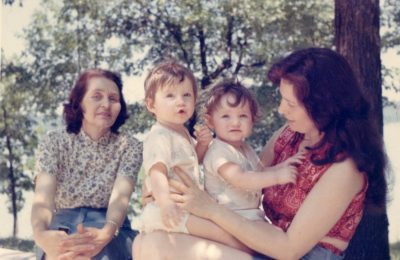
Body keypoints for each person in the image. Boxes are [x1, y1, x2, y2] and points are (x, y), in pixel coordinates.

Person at [132, 48, 387, 260]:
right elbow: (243, 176)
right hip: (258, 240)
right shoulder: (291, 133)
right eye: (281, 99)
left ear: (323, 106)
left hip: (291, 254)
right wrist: (167, 193)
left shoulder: (346, 168)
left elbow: (289, 249)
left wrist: (209, 209)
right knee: (143, 243)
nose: (280, 109)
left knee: (156, 248)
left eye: (290, 104)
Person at [134, 61, 255, 257]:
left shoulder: (181, 133)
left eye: (186, 95)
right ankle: (258, 249)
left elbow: (192, 163)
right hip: (167, 208)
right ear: (151, 104)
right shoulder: (159, 136)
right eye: (170, 95)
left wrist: (201, 145)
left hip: (182, 206)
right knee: (225, 236)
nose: (180, 101)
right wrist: (165, 202)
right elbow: (157, 172)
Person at [31, 69, 143, 260]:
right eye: (96, 96)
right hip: (62, 227)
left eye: (113, 99)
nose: (106, 104)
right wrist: (41, 236)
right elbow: (43, 200)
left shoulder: (130, 147)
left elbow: (120, 199)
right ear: (79, 102)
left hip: (111, 228)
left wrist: (106, 234)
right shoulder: (53, 142)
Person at [202, 80, 303, 222]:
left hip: (247, 216)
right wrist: (278, 177)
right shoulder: (218, 152)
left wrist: (283, 166)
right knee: (272, 240)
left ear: (252, 120)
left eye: (242, 116)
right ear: (211, 122)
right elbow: (240, 179)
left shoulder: (245, 148)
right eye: (226, 116)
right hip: (228, 217)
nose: (235, 122)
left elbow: (259, 172)